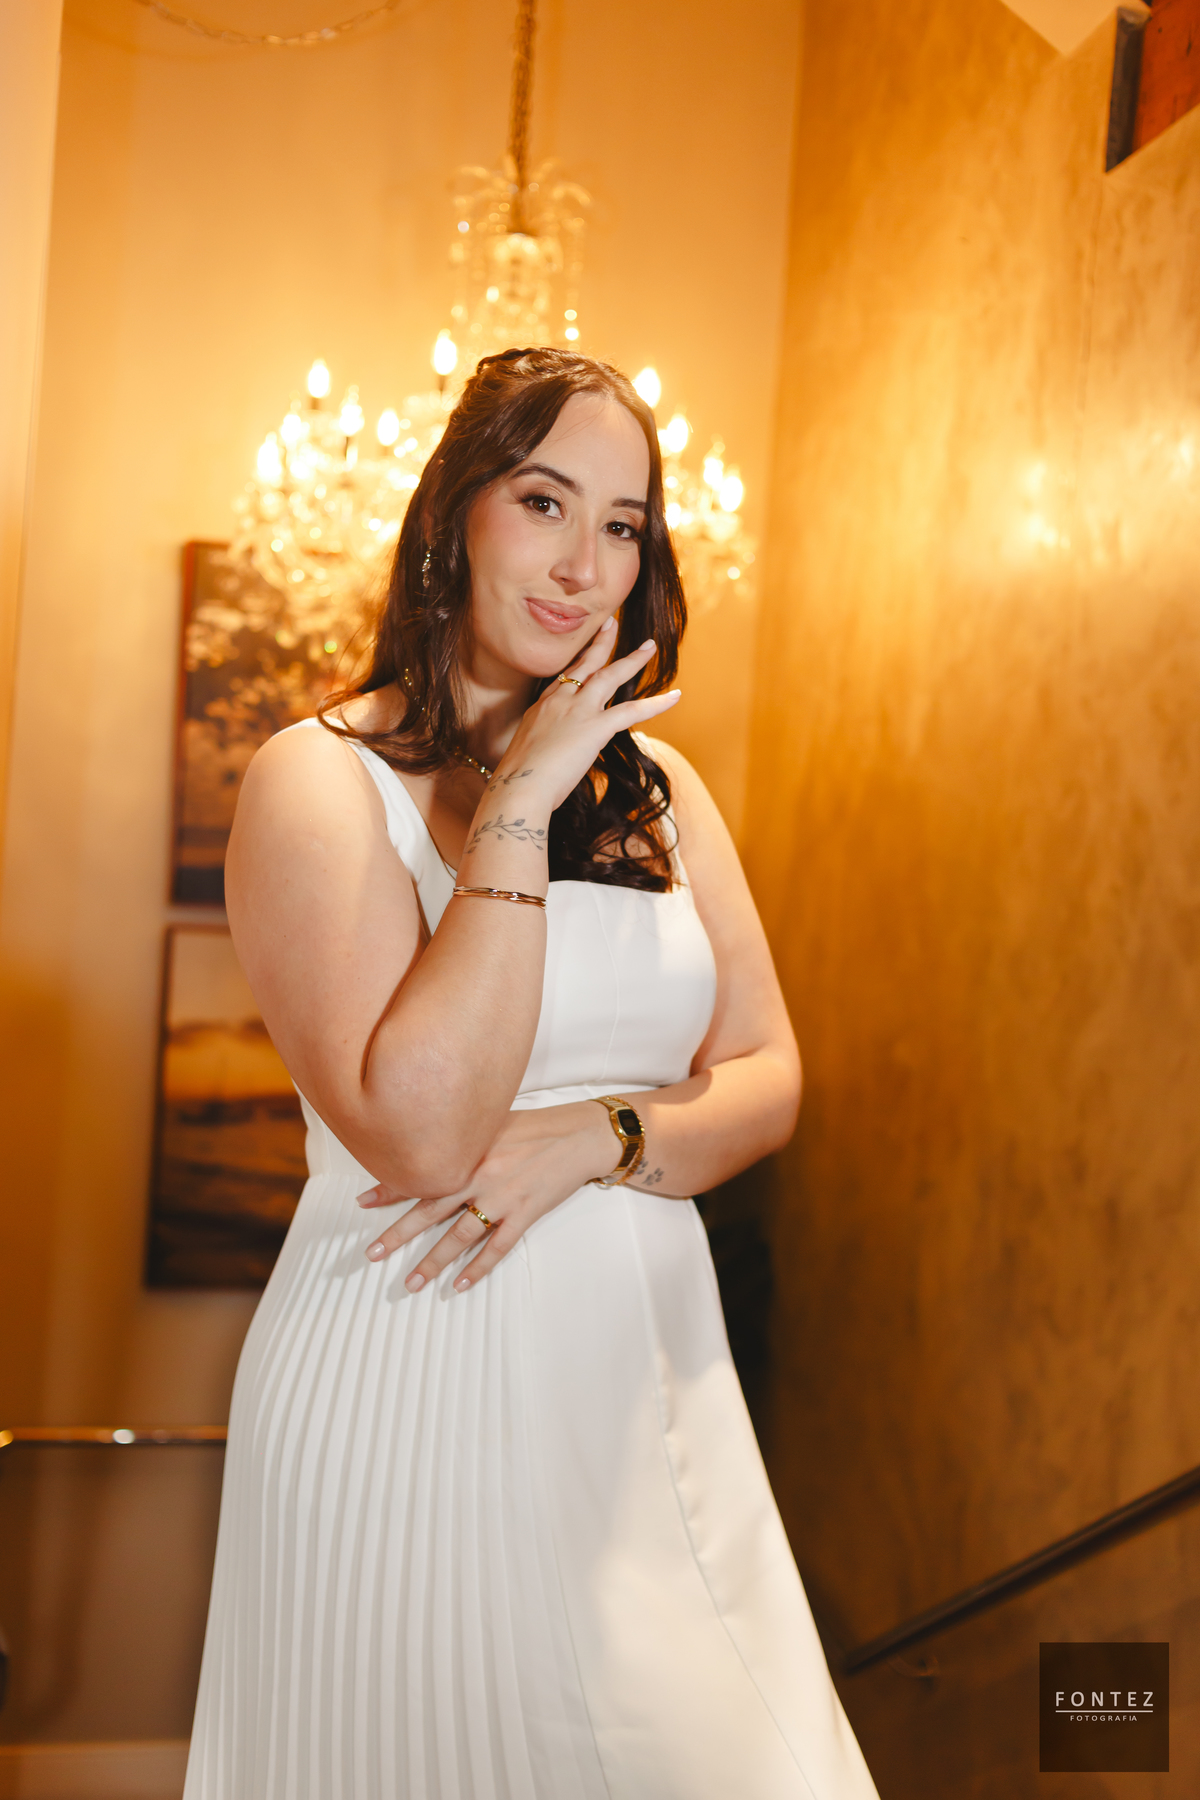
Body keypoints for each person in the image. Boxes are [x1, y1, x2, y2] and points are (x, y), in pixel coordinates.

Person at [183, 347, 878, 1800]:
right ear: (455, 517)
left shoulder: (671, 796)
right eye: (545, 502)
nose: (583, 566)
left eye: (621, 525)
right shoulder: (319, 780)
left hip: (650, 1394)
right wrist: (521, 803)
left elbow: (769, 1073)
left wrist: (597, 1136)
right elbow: (426, 1136)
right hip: (407, 1368)